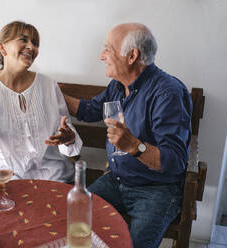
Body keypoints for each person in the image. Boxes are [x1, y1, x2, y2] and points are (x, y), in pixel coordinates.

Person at [63, 23, 192, 248]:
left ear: (132, 56)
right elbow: (90, 110)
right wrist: (46, 91)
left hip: (155, 190)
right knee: (72, 221)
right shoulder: (118, 85)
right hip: (116, 180)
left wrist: (135, 146)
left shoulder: (167, 93)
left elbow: (175, 161)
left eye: (107, 49)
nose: (101, 56)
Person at [0, 21, 82, 191]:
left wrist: (69, 139)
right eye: (23, 40)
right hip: (8, 180)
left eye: (35, 43)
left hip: (54, 177)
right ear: (2, 48)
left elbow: (66, 132)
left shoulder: (49, 85)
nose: (31, 46)